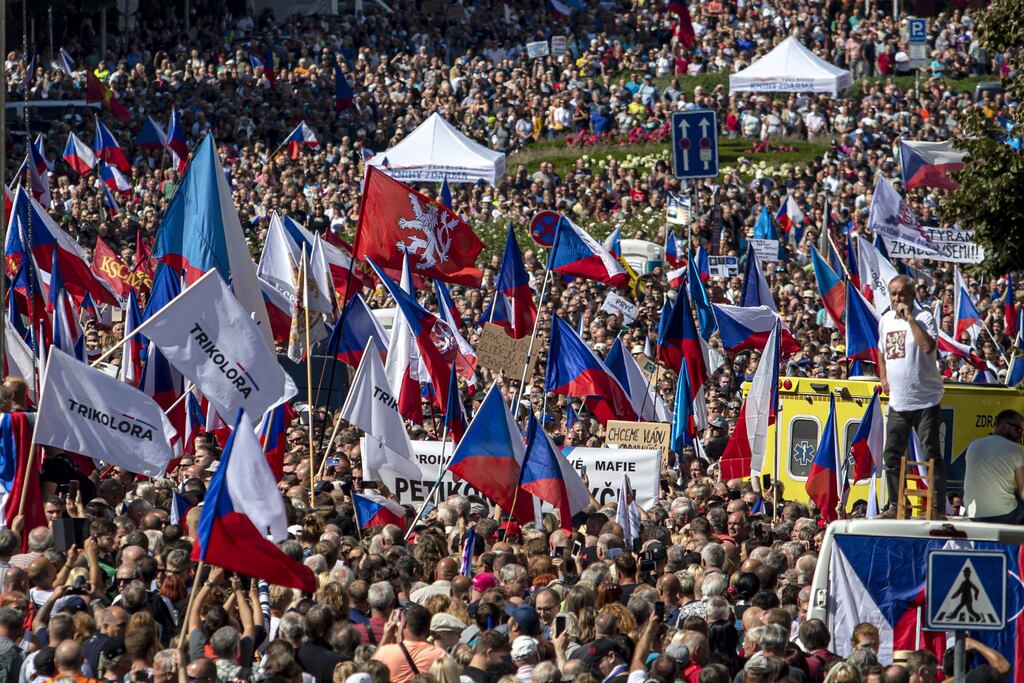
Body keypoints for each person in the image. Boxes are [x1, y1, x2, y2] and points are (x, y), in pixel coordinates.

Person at [878, 275, 945, 517]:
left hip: (926, 400)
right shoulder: (885, 320)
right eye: (893, 294)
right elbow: (881, 350)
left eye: (902, 294)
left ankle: (937, 509)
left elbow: (928, 347)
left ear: (912, 294)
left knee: (930, 454)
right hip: (899, 401)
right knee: (892, 454)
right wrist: (883, 377)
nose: (897, 299)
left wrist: (910, 319)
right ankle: (897, 507)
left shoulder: (924, 317)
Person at [963, 410, 1024, 523]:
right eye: (1018, 429)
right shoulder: (1016, 449)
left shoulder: (973, 445)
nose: (1020, 434)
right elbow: (1023, 490)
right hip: (1005, 515)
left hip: (974, 515)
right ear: (1004, 425)